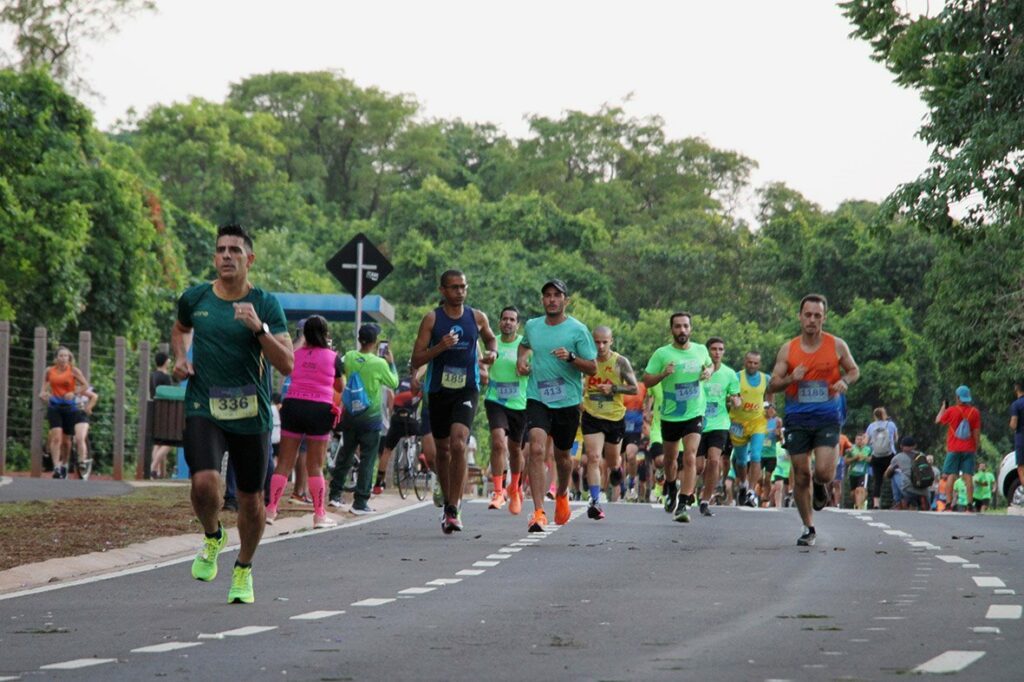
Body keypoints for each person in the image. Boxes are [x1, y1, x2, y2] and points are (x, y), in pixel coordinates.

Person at [171, 223, 293, 604]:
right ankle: (212, 537)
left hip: (250, 413)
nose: (226, 255)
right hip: (204, 404)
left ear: (249, 259)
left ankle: (243, 568)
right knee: (205, 482)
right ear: (214, 257)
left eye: (234, 250)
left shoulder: (266, 304)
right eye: (221, 249)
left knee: (251, 500)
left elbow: (287, 363)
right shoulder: (195, 298)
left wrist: (259, 329)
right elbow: (180, 328)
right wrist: (179, 357)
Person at [769, 294, 859, 547]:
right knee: (800, 474)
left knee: (823, 471)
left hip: (828, 416)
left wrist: (845, 381)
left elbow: (854, 370)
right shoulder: (789, 349)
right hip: (797, 417)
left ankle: (822, 486)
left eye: (817, 315)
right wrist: (791, 379)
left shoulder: (836, 345)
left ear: (824, 318)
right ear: (800, 317)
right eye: (807, 315)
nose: (812, 320)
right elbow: (773, 384)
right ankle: (808, 527)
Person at [411, 270, 497, 533]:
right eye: (454, 287)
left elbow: (490, 339)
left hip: (466, 389)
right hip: (437, 390)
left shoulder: (477, 316)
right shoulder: (432, 320)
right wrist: (440, 347)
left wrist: (492, 352)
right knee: (442, 452)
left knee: (459, 443)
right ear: (442, 291)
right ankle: (449, 500)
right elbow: (416, 360)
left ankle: (453, 507)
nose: (460, 291)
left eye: (463, 287)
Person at [516, 279, 597, 532]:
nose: (551, 299)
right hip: (538, 397)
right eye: (547, 295)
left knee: (563, 457)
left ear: (566, 300)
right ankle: (539, 512)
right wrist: (521, 360)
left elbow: (593, 367)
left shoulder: (578, 330)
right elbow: (524, 345)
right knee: (537, 449)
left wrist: (572, 357)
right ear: (543, 300)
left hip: (568, 401)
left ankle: (562, 494)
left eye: (557, 295)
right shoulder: (532, 326)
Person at [265, 316, 344, 528]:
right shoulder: (333, 357)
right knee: (315, 465)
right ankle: (319, 515)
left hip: (293, 407)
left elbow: (289, 369)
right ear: (326, 333)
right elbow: (340, 386)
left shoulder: (295, 355)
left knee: (283, 462)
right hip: (319, 410)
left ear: (304, 334)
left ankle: (271, 509)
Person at [642, 312, 714, 523]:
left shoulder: (700, 350)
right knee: (670, 460)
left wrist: (709, 371)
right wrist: (663, 374)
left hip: (695, 412)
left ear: (691, 329)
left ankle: (684, 501)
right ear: (671, 329)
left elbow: (710, 364)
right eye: (677, 327)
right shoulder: (662, 354)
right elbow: (646, 381)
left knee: (690, 456)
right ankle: (671, 487)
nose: (682, 330)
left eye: (685, 326)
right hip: (671, 415)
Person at [329, 324, 399, 514]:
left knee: (346, 454)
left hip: (350, 416)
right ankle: (360, 502)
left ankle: (334, 494)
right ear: (376, 342)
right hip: (371, 419)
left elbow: (339, 367)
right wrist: (391, 363)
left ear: (360, 340)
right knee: (368, 459)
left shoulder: (350, 356)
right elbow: (394, 382)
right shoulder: (379, 363)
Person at [580, 325, 639, 520]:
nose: (601, 346)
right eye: (597, 342)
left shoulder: (620, 362)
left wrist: (613, 388)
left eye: (605, 342)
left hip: (614, 417)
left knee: (612, 460)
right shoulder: (587, 361)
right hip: (592, 415)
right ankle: (595, 501)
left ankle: (617, 468)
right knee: (594, 457)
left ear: (611, 342)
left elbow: (634, 389)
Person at [482, 306, 529, 514]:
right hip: (495, 400)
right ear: (499, 322)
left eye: (512, 319)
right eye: (504, 319)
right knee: (498, 442)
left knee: (515, 449)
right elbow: (482, 368)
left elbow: (535, 368)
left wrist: (527, 368)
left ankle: (516, 488)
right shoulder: (493, 344)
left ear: (517, 325)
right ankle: (498, 491)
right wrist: (483, 366)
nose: (508, 322)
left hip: (519, 403)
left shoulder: (525, 345)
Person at [696, 337, 740, 517]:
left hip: (720, 423)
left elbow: (736, 396)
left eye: (720, 349)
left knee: (714, 460)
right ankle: (687, 492)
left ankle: (706, 501)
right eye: (713, 349)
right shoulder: (700, 371)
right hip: (698, 421)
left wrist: (736, 401)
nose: (717, 352)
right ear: (707, 351)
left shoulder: (730, 374)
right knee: (698, 467)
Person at [729, 351, 773, 508]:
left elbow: (770, 394)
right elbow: (729, 395)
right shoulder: (736, 377)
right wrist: (733, 400)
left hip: (757, 422)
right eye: (750, 362)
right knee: (741, 461)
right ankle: (743, 483)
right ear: (744, 362)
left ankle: (751, 491)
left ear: (759, 364)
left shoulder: (765, 378)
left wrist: (769, 406)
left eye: (755, 363)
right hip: (738, 423)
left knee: (755, 455)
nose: (752, 365)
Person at [39, 346, 88, 479]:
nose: (63, 358)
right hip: (55, 406)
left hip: (69, 408)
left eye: (66, 356)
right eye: (61, 356)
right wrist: (43, 394)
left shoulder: (73, 370)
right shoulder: (49, 371)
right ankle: (56, 467)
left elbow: (85, 385)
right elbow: (44, 386)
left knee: (66, 441)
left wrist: (74, 392)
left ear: (69, 358)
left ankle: (65, 464)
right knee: (56, 437)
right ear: (56, 358)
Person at [935, 385, 981, 512]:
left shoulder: (952, 410)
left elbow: (938, 420)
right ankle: (969, 505)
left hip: (954, 448)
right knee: (968, 477)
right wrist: (976, 446)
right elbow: (976, 432)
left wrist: (944, 407)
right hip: (969, 448)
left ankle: (949, 504)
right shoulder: (975, 412)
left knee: (951, 476)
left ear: (958, 398)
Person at [375, 373, 421, 496]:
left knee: (386, 451)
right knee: (424, 435)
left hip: (396, 420)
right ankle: (423, 460)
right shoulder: (421, 385)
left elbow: (394, 403)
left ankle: (378, 484)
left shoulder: (400, 382)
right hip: (411, 420)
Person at [150, 351, 176, 479]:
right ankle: (153, 467)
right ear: (165, 361)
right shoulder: (165, 377)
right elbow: (171, 394)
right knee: (169, 442)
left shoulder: (153, 375)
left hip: (155, 412)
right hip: (166, 413)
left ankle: (156, 472)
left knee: (158, 442)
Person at [865, 407, 899, 509]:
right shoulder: (891, 424)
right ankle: (897, 500)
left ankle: (876, 503)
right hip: (890, 455)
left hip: (876, 456)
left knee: (878, 480)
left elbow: (866, 441)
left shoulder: (871, 426)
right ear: (884, 414)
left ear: (874, 416)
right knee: (894, 477)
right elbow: (896, 439)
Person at [884, 436, 930, 510]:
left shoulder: (898, 457)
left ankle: (897, 502)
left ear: (901, 446)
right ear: (915, 446)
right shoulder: (922, 455)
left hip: (909, 490)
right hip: (925, 491)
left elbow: (887, 474)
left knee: (894, 474)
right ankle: (918, 500)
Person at [845, 432, 871, 510]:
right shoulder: (851, 449)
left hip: (863, 472)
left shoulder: (868, 449)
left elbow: (871, 459)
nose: (859, 441)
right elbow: (846, 461)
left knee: (860, 489)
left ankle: (858, 507)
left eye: (861, 439)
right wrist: (855, 458)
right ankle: (861, 502)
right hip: (853, 473)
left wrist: (864, 458)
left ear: (864, 440)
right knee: (853, 493)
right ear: (855, 440)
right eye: (857, 439)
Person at [1009, 380, 1024, 504]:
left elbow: (1014, 424)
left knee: (1021, 467)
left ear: (1017, 389)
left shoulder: (1016, 404)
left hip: (1021, 439)